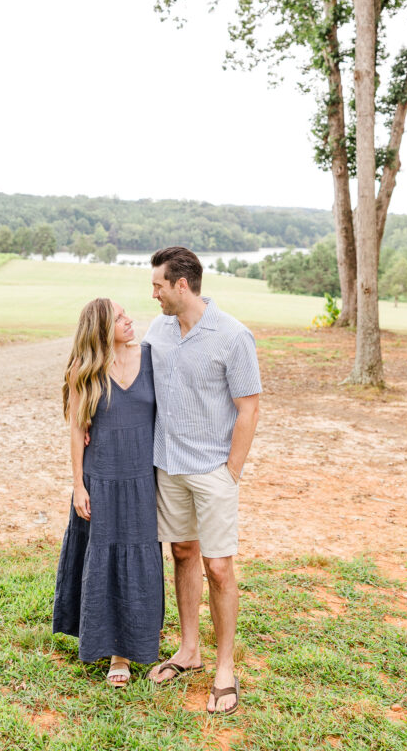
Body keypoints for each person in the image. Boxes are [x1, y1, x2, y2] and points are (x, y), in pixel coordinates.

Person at [144, 247, 261, 716]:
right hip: (168, 465)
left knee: (219, 567)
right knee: (182, 552)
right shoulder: (157, 330)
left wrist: (231, 471)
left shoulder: (233, 336)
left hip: (213, 471)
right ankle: (189, 650)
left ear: (181, 285)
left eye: (158, 286)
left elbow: (249, 408)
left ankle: (225, 668)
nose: (153, 295)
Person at [52, 297, 164, 687]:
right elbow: (76, 429)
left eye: (126, 313)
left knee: (137, 557)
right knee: (103, 558)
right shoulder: (84, 372)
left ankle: (126, 650)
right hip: (100, 478)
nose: (129, 320)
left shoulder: (151, 358)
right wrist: (78, 486)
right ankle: (109, 646)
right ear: (101, 330)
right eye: (119, 318)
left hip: (142, 480)